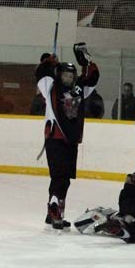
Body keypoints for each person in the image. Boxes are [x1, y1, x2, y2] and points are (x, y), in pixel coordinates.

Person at [35, 43, 100, 229]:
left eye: (71, 75)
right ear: (59, 75)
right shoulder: (52, 88)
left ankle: (54, 211)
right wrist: (85, 61)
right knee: (60, 177)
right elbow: (93, 76)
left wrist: (48, 62)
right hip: (56, 140)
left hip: (68, 142)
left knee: (62, 177)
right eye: (65, 75)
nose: (69, 78)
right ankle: (55, 208)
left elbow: (41, 73)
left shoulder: (59, 87)